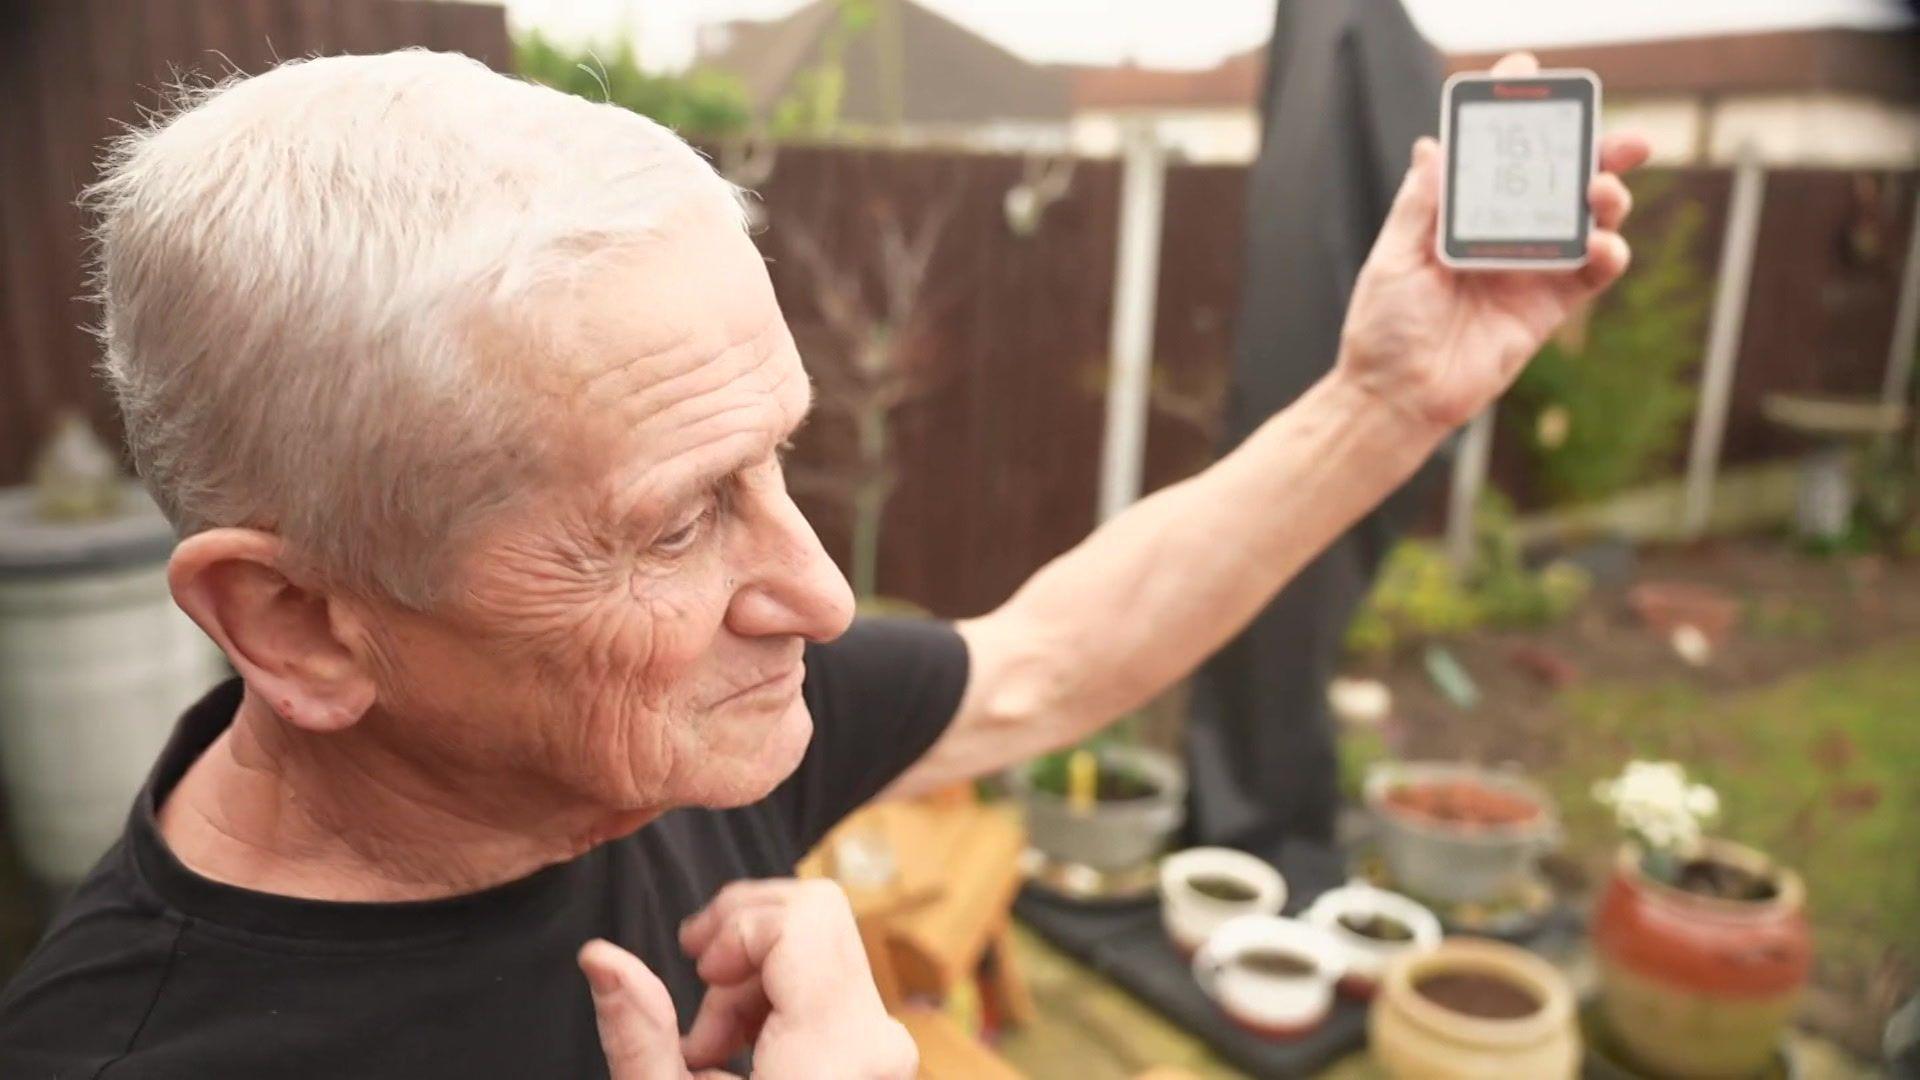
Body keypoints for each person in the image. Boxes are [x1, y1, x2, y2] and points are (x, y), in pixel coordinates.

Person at [0, 48, 1645, 1077]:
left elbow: (1047, 663)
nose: (823, 597)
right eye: (673, 520)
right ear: (296, 621)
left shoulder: (658, 738)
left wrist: (1385, 400)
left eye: (771, 461)